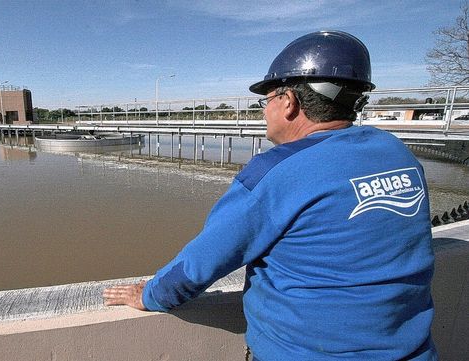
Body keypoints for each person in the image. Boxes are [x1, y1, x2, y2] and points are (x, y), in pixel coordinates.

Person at [103, 30, 437, 360]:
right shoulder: (396, 153)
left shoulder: (278, 171)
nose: (263, 111)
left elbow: (203, 262)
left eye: (267, 100)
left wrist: (150, 295)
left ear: (288, 102)